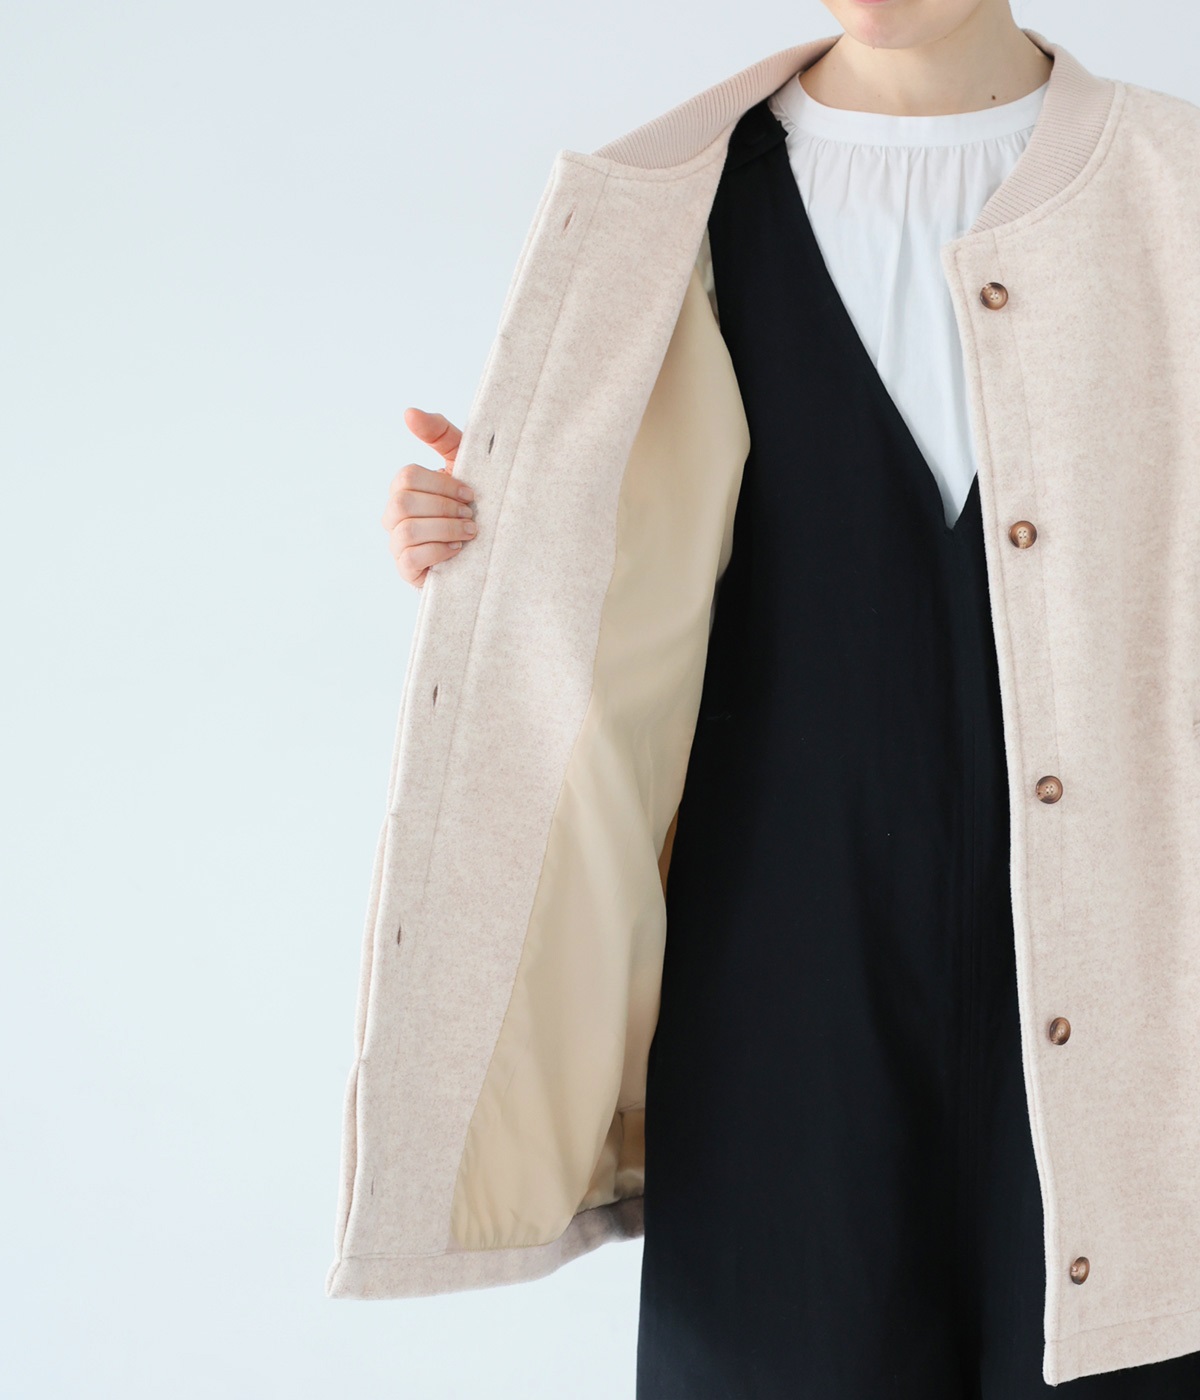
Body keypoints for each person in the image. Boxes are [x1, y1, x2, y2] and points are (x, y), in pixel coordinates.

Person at [331, 4, 1200, 1394]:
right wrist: (488, 550)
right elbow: (600, 621)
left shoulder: (1176, 192)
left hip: (1146, 1029)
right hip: (774, 1027)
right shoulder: (657, 210)